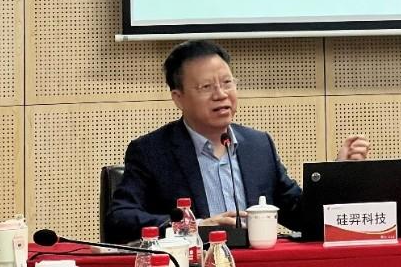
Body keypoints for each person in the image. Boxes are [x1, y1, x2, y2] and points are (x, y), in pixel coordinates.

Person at [105, 40, 370, 243]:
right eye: (206, 87)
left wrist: (338, 174)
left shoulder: (258, 146)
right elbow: (120, 219)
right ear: (178, 98)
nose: (221, 94)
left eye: (227, 82)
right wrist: (195, 226)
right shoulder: (152, 151)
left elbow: (300, 215)